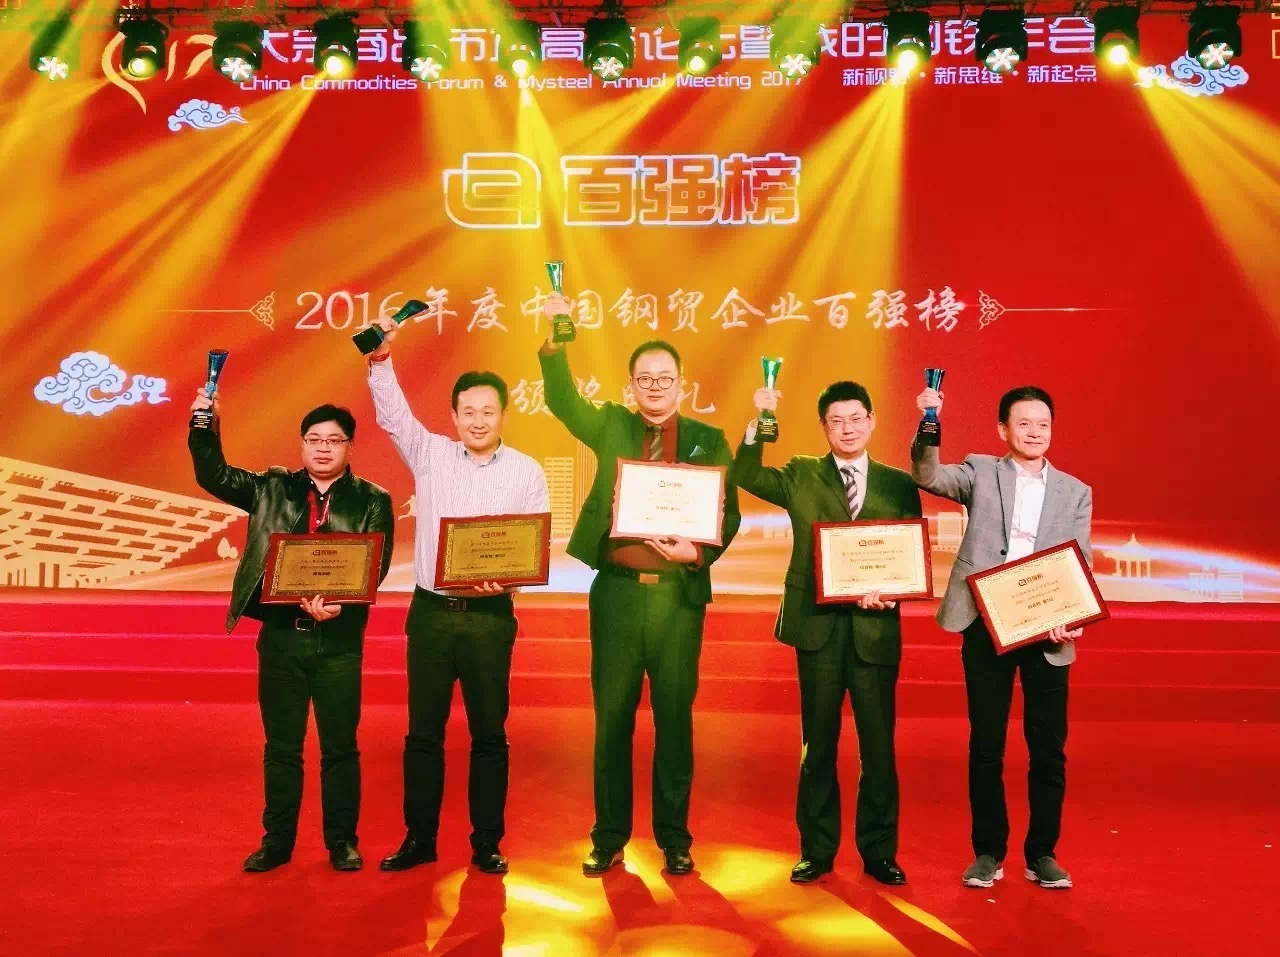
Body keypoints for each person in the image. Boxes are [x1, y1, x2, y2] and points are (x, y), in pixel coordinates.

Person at [539, 294, 741, 877]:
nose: (655, 387)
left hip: (678, 598)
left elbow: (727, 514)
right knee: (613, 720)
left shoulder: (708, 438)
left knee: (675, 719)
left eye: (664, 378)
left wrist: (695, 552)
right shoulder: (612, 424)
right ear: (631, 385)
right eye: (644, 379)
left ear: (682, 384)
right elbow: (560, 399)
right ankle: (608, 837)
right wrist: (554, 341)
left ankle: (675, 839)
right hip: (619, 594)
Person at [366, 316, 549, 876]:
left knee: (489, 734)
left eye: (487, 411)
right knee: (423, 733)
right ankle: (419, 839)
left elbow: (532, 543)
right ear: (454, 415)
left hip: (491, 617)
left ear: (504, 415)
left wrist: (510, 579)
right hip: (431, 614)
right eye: (468, 411)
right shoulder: (430, 454)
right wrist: (380, 360)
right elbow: (394, 416)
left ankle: (486, 843)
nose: (477, 420)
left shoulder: (527, 471)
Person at [188, 392, 393, 873]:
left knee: (340, 747)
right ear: (302, 444)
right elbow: (214, 475)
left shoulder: (373, 499)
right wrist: (203, 425)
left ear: (349, 447)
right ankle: (277, 842)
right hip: (281, 638)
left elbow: (376, 564)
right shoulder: (271, 488)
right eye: (314, 439)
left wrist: (341, 604)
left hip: (339, 643)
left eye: (334, 440)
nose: (323, 448)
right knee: (282, 748)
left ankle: (342, 841)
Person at [734, 381, 921, 886]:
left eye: (856, 418)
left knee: (878, 748)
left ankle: (879, 852)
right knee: (817, 746)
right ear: (824, 426)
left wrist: (893, 591)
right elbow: (746, 474)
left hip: (874, 629)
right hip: (816, 628)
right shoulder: (801, 473)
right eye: (836, 421)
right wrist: (758, 426)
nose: (847, 429)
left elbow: (908, 552)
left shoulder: (897, 484)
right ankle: (816, 850)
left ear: (872, 420)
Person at [911, 384, 1093, 891]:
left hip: (1046, 628)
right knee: (986, 744)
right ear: (1003, 429)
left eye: (1043, 424)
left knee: (1048, 748)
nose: (1035, 433)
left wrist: (1073, 614)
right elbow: (927, 475)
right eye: (1024, 424)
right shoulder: (979, 471)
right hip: (984, 620)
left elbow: (1080, 559)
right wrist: (929, 422)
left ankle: (1042, 854)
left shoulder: (1075, 491)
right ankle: (988, 852)